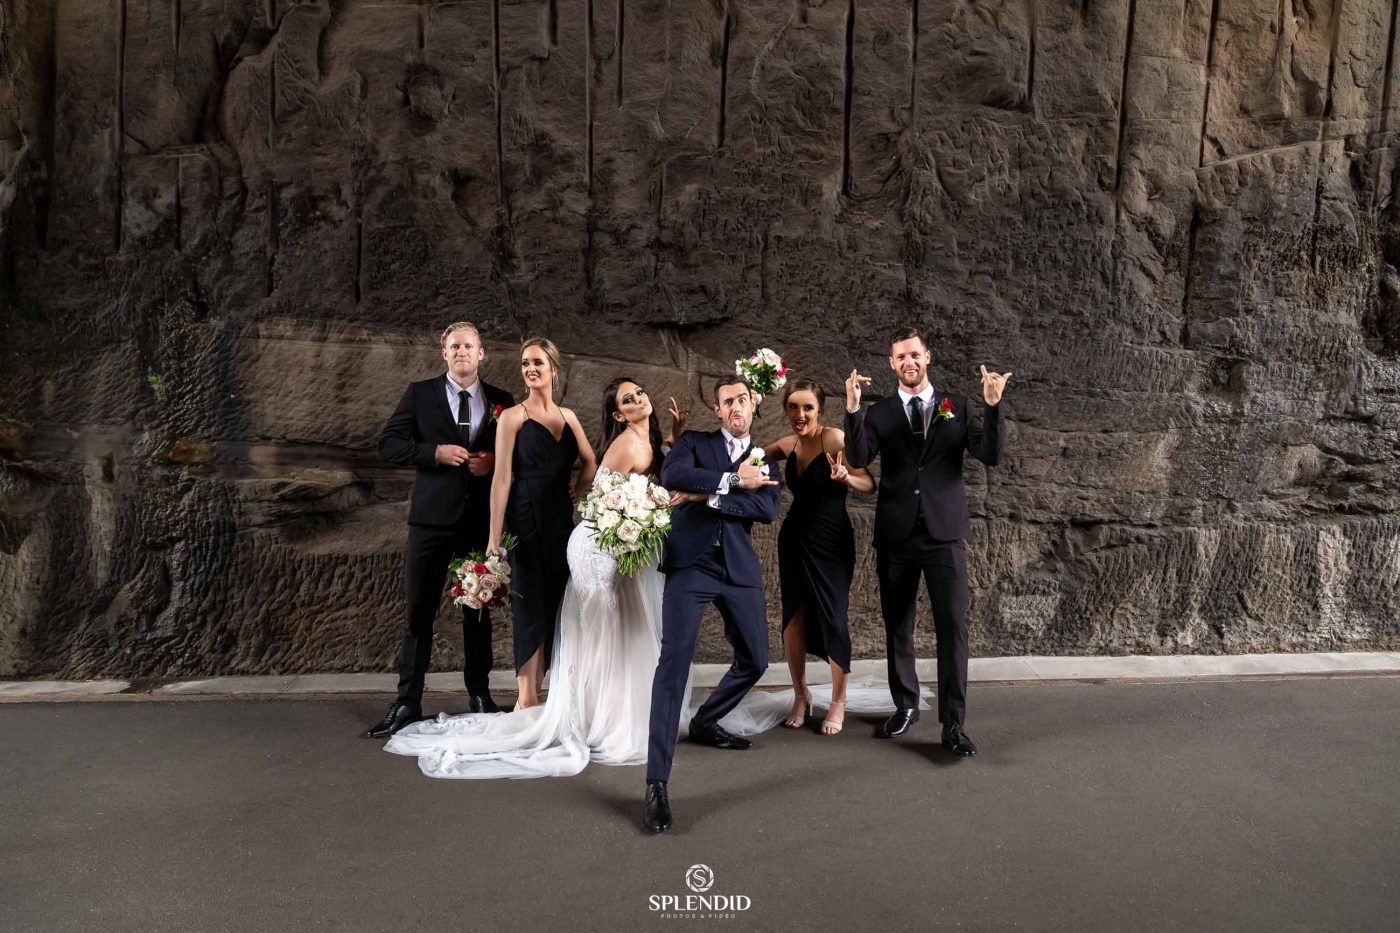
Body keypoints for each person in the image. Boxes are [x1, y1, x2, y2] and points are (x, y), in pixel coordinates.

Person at [383, 379, 693, 777]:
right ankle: (588, 716)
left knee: (623, 627)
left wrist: (674, 438)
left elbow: (636, 466)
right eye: (628, 399)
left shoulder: (641, 438)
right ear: (618, 414)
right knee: (601, 628)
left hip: (603, 538)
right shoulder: (618, 444)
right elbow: (600, 495)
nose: (638, 400)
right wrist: (496, 537)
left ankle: (615, 713)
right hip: (593, 546)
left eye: (639, 393)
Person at [843, 324, 1010, 757]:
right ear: (892, 363)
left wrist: (993, 407)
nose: (908, 362)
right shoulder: (879, 413)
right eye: (900, 356)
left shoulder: (957, 405)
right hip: (896, 535)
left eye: (914, 354)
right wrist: (853, 409)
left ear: (927, 356)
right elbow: (858, 458)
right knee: (898, 625)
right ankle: (905, 705)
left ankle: (953, 724)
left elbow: (989, 455)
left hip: (944, 535)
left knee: (953, 627)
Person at [364, 322, 517, 739]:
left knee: (478, 611)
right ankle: (407, 702)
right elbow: (388, 445)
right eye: (454, 346)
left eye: (469, 345)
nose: (461, 351)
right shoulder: (420, 394)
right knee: (419, 612)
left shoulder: (502, 400)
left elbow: (520, 453)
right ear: (444, 353)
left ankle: (480, 695)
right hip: (430, 522)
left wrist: (494, 462)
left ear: (481, 353)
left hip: (479, 522)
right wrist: (434, 452)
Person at [644, 378, 782, 833]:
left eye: (742, 400)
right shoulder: (693, 443)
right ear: (718, 410)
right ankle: (657, 783)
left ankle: (705, 721)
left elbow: (766, 509)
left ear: (752, 405)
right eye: (727, 402)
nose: (736, 407)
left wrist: (709, 494)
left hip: (738, 569)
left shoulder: (762, 458)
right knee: (673, 663)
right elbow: (673, 477)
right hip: (691, 565)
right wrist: (734, 481)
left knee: (755, 659)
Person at [488, 337, 596, 711]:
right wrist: (493, 537)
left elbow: (590, 461)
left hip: (559, 519)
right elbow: (501, 478)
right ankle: (526, 697)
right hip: (524, 514)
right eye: (525, 363)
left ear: (553, 368)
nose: (530, 369)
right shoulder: (512, 417)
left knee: (556, 600)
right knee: (528, 601)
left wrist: (577, 490)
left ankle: (539, 688)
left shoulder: (569, 416)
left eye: (537, 362)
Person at [762, 380, 873, 735]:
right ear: (785, 410)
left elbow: (869, 482)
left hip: (831, 541)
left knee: (833, 617)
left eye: (807, 407)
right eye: (793, 407)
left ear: (820, 410)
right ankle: (801, 695)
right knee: (793, 620)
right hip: (794, 539)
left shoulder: (834, 438)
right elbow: (745, 458)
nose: (800, 414)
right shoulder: (788, 445)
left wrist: (846, 477)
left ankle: (838, 701)